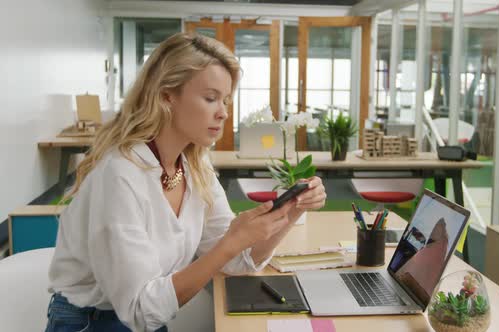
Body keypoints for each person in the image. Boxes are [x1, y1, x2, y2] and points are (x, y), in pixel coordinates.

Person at [45, 32, 326, 332]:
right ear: (167, 95)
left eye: (226, 100)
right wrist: (232, 242)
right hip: (91, 323)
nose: (223, 113)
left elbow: (236, 262)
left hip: (149, 317)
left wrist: (291, 211)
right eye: (210, 98)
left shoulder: (194, 165)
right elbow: (139, 311)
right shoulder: (120, 174)